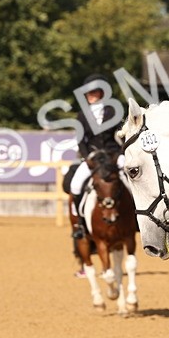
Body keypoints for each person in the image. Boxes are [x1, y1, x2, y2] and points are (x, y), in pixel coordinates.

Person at [65, 74, 124, 240]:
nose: (91, 95)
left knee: (131, 178)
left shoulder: (113, 111)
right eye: (89, 92)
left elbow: (121, 135)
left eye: (95, 92)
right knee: (76, 185)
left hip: (113, 155)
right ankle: (80, 223)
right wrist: (87, 158)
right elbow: (81, 141)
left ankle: (138, 218)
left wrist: (120, 154)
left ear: (103, 93)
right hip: (93, 158)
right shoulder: (82, 115)